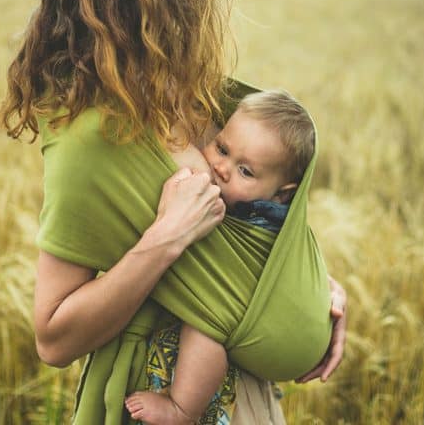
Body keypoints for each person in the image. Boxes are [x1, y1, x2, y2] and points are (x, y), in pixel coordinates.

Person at [0, 0, 347, 424]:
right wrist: (165, 238)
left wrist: (314, 292)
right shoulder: (91, 137)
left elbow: (246, 239)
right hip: (155, 399)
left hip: (243, 398)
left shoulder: (200, 93)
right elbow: (52, 338)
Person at [125, 90, 315, 424]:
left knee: (209, 323)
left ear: (282, 195)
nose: (222, 168)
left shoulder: (261, 220)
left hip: (228, 328)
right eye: (222, 149)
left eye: (246, 171)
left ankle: (181, 409)